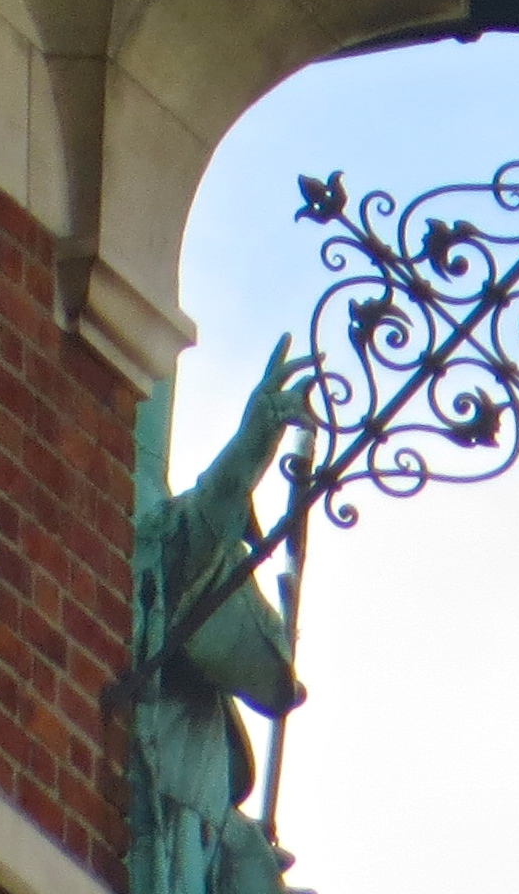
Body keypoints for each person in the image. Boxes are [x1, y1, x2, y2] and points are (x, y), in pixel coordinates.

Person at [130, 338, 314, 894]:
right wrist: (253, 444)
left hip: (196, 819)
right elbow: (204, 524)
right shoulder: (158, 538)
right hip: (171, 814)